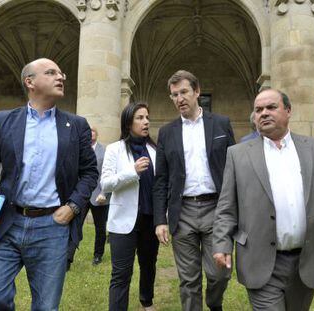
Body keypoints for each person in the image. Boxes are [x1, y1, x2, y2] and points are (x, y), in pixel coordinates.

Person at [0, 58, 98, 310]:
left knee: (46, 306)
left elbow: (89, 173)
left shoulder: (76, 125)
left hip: (52, 226)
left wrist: (73, 206)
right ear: (30, 82)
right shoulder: (3, 122)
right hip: (7, 223)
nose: (61, 77)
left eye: (61, 73)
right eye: (51, 72)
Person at [213, 88, 314, 310]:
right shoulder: (238, 155)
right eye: (258, 110)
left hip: (306, 261)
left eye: (271, 107)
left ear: (288, 111)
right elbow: (226, 208)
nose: (264, 113)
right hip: (259, 260)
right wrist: (221, 244)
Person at [153, 70, 235, 311]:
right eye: (174, 95)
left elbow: (234, 168)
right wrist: (160, 219)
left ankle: (213, 302)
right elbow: (161, 180)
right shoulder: (167, 133)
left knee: (220, 273)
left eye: (184, 92)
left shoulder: (220, 123)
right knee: (188, 279)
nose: (179, 98)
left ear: (197, 92)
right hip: (183, 211)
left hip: (216, 208)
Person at [101, 102, 159, 311]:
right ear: (128, 123)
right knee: (121, 273)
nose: (146, 122)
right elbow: (105, 183)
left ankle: (147, 301)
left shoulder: (155, 150)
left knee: (148, 265)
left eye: (147, 117)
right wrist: (132, 172)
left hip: (150, 219)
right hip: (123, 221)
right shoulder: (114, 149)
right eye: (140, 118)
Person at [67, 126, 110, 270]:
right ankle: (68, 257)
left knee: (100, 228)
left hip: (99, 197)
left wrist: (104, 192)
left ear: (97, 135)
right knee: (75, 225)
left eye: (93, 134)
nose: (91, 136)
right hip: (82, 196)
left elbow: (107, 173)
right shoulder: (80, 149)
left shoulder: (104, 152)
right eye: (89, 134)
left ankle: (98, 255)